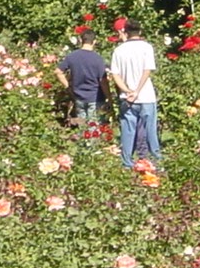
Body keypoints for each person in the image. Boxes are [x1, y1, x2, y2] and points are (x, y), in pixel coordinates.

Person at [108, 22, 160, 169]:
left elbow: (115, 75)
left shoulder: (119, 50)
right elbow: (147, 70)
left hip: (127, 97)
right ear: (140, 30)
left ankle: (127, 163)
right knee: (150, 130)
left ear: (126, 31)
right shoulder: (146, 47)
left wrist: (127, 90)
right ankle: (156, 162)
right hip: (146, 96)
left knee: (127, 130)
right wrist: (137, 90)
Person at [54, 31, 109, 126]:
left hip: (78, 97)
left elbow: (58, 72)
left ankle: (83, 140)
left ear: (80, 40)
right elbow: (102, 81)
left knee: (82, 127)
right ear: (94, 42)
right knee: (94, 128)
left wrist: (68, 87)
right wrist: (109, 98)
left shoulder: (72, 56)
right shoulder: (98, 58)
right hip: (95, 97)